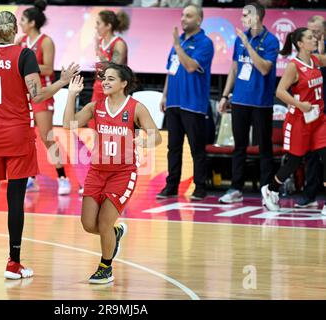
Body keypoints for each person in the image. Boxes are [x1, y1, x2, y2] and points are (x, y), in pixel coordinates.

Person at [0, 11, 79, 279]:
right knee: (15, 199)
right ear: (15, 30)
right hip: (17, 135)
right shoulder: (24, 55)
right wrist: (62, 80)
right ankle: (13, 263)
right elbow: (37, 95)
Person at [63, 63, 162, 284]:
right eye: (104, 78)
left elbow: (157, 137)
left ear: (123, 83)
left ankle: (105, 267)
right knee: (89, 224)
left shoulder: (136, 108)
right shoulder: (96, 106)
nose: (105, 82)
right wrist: (71, 95)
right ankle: (115, 235)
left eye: (111, 79)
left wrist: (144, 141)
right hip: (97, 171)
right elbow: (68, 124)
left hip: (123, 173)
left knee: (105, 222)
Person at [218, 2, 279, 204]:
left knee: (264, 148)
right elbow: (234, 69)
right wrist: (225, 96)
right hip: (240, 100)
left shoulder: (271, 41)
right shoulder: (239, 39)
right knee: (239, 146)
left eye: (246, 15)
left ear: (258, 17)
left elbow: (264, 69)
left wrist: (248, 43)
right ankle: (236, 188)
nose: (243, 18)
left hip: (261, 102)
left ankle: (267, 190)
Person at [261, 27, 326, 214]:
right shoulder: (293, 66)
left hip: (319, 119)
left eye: (314, 37)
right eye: (310, 37)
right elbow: (280, 91)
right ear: (300, 43)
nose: (314, 39)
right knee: (294, 162)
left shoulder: (316, 60)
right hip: (299, 119)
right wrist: (299, 104)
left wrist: (322, 48)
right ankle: (270, 189)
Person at [157, 4, 214, 200]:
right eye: (182, 15)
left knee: (196, 148)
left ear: (198, 20)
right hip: (174, 102)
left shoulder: (205, 43)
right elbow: (170, 70)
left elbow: (190, 66)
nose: (183, 19)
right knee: (173, 147)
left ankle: (200, 187)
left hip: (193, 104)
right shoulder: (178, 41)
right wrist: (164, 95)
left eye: (188, 16)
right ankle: (171, 186)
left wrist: (178, 47)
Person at [17, 0, 72, 195]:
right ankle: (30, 178)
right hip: (23, 95)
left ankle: (63, 178)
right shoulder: (20, 41)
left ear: (32, 22)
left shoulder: (46, 41)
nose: (20, 23)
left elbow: (49, 68)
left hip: (43, 94)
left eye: (23, 20)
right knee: (26, 138)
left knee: (46, 136)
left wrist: (26, 64)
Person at [296, 15, 326, 208]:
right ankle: (310, 194)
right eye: (309, 32)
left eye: (315, 32)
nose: (312, 36)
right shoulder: (306, 54)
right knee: (312, 153)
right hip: (313, 109)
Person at [92, 9, 129, 103]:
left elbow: (114, 68)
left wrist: (97, 49)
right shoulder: (101, 42)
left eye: (98, 23)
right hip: (98, 89)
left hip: (114, 91)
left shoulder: (119, 43)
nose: (96, 27)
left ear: (108, 26)